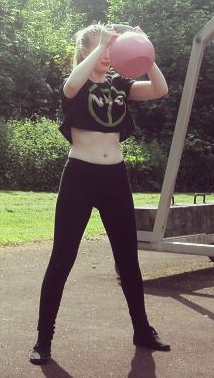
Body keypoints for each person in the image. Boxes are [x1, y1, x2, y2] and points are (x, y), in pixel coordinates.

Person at [30, 23, 170, 365]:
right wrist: (102, 44)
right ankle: (43, 340)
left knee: (128, 258)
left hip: (114, 178)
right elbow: (70, 86)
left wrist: (144, 51)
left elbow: (160, 90)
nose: (108, 54)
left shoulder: (120, 85)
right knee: (62, 258)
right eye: (102, 48)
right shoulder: (76, 83)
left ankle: (142, 330)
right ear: (85, 51)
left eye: (111, 48)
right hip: (80, 175)